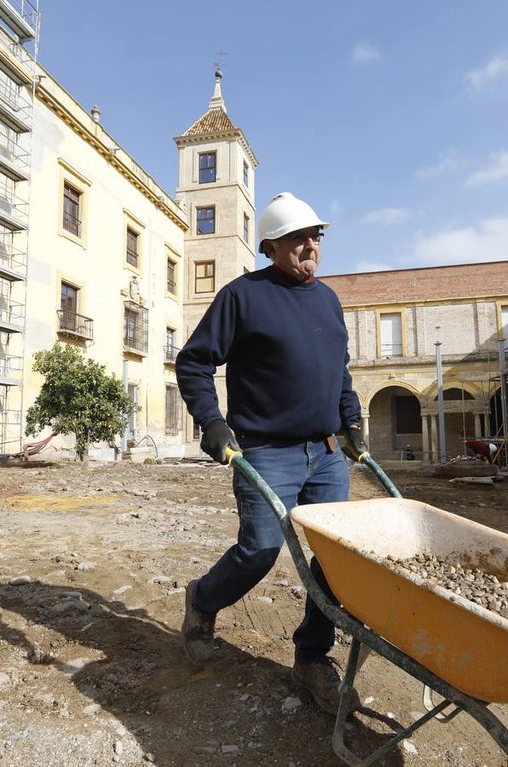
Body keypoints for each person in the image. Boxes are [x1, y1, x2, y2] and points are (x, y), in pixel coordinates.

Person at [175, 192, 367, 715]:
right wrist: (212, 422)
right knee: (260, 551)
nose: (310, 246)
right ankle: (203, 599)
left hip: (326, 452)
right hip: (266, 452)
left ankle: (311, 656)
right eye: (298, 238)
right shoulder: (243, 296)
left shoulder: (327, 300)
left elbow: (339, 371)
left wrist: (351, 421)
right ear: (271, 246)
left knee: (335, 557)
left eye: (316, 237)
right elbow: (193, 362)